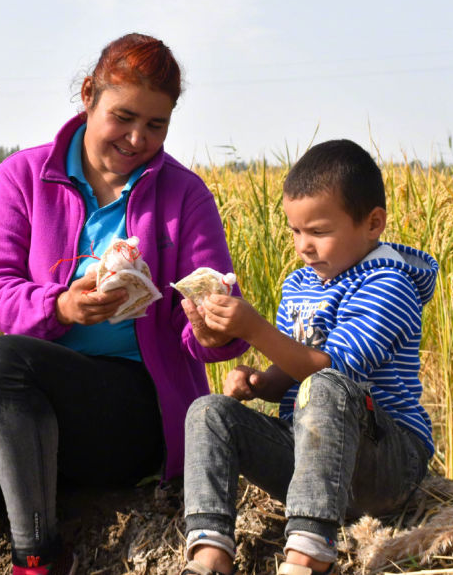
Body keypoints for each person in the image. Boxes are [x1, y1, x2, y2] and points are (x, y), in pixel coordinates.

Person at [0, 33, 248, 575]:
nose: (137, 138)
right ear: (88, 95)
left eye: (156, 124)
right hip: (23, 411)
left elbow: (209, 317)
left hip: (133, 413)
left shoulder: (184, 195)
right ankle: (38, 550)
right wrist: (62, 309)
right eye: (123, 116)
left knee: (5, 359)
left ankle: (37, 557)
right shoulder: (24, 176)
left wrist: (213, 331)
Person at [179, 139, 438, 575]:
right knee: (208, 412)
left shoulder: (390, 284)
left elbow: (335, 371)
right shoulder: (300, 285)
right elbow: (297, 364)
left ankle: (308, 553)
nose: (304, 246)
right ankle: (210, 554)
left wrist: (255, 330)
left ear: (373, 223)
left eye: (319, 232)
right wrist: (262, 382)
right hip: (310, 460)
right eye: (295, 231)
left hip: (385, 465)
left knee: (328, 386)